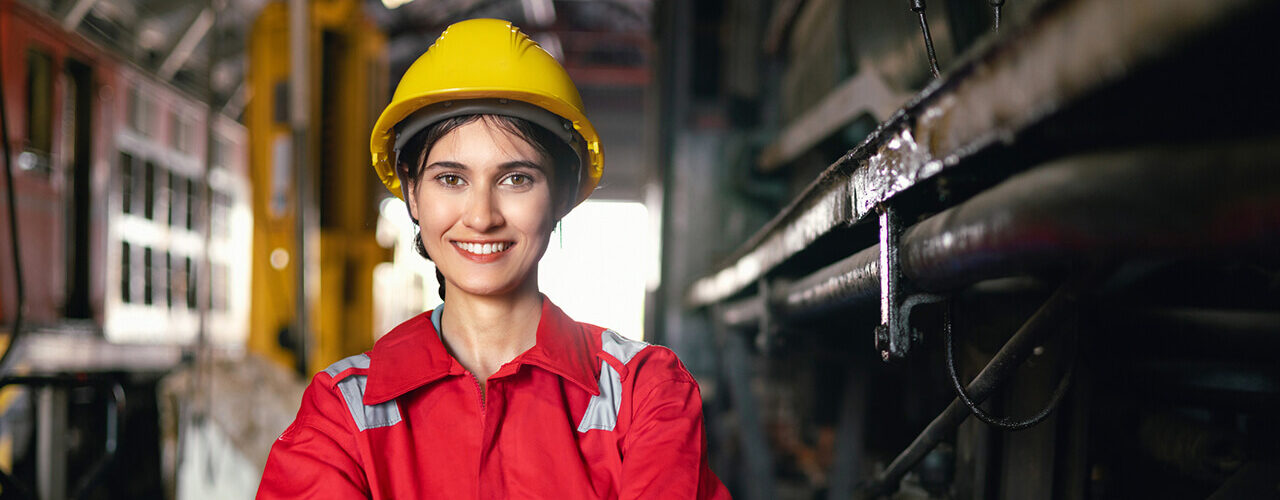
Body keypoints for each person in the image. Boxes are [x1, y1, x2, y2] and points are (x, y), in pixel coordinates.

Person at [257, 18, 729, 499]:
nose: (481, 217)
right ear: (412, 193)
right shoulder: (343, 409)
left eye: (516, 178)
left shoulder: (644, 393)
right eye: (451, 179)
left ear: (563, 192)